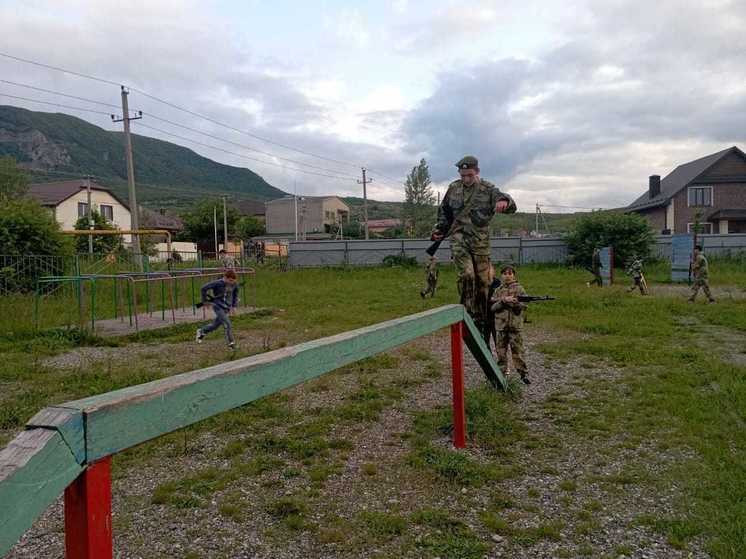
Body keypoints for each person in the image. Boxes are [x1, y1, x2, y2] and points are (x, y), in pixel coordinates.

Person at [431, 155, 516, 338]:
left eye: (469, 175)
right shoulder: (453, 188)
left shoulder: (487, 189)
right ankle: (466, 313)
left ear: (477, 171)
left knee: (484, 283)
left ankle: (483, 318)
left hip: (480, 243)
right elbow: (444, 211)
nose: (466, 179)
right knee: (467, 275)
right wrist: (439, 229)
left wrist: (504, 202)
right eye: (463, 175)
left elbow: (510, 203)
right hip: (459, 239)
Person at [490, 265, 530, 385]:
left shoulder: (520, 289)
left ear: (514, 275)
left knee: (518, 352)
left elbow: (524, 306)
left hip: (515, 327)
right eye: (505, 273)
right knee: (501, 352)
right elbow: (493, 307)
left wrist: (515, 303)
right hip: (501, 326)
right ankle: (501, 374)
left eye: (510, 273)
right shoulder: (498, 290)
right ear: (501, 275)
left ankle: (523, 374)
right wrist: (503, 301)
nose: (507, 276)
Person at [196, 269, 240, 349]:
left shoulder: (234, 284)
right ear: (225, 278)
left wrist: (234, 306)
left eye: (233, 281)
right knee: (227, 324)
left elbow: (236, 294)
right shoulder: (217, 283)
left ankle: (202, 331)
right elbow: (203, 288)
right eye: (230, 280)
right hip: (218, 306)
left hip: (226, 307)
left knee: (215, 325)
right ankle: (231, 343)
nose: (231, 283)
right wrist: (205, 301)